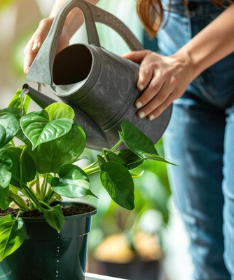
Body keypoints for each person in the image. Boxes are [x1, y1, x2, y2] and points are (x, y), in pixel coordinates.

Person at [23, 0, 234, 279]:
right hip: (181, 82)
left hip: (183, 64)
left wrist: (187, 61)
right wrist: (59, 23)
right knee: (204, 248)